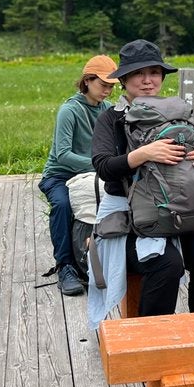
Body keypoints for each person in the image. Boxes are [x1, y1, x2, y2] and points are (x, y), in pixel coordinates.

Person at [88, 39, 194, 319]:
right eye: (139, 73)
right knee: (166, 263)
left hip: (177, 212)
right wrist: (144, 154)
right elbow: (103, 167)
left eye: (154, 73)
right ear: (123, 79)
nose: (148, 80)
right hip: (130, 219)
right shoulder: (110, 119)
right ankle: (153, 342)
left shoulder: (175, 114)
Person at [40, 55, 117, 296]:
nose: (107, 91)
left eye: (111, 86)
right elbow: (63, 155)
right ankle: (65, 267)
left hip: (95, 175)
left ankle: (112, 260)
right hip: (60, 175)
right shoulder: (69, 110)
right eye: (103, 85)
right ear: (87, 81)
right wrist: (100, 164)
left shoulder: (108, 110)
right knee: (63, 204)